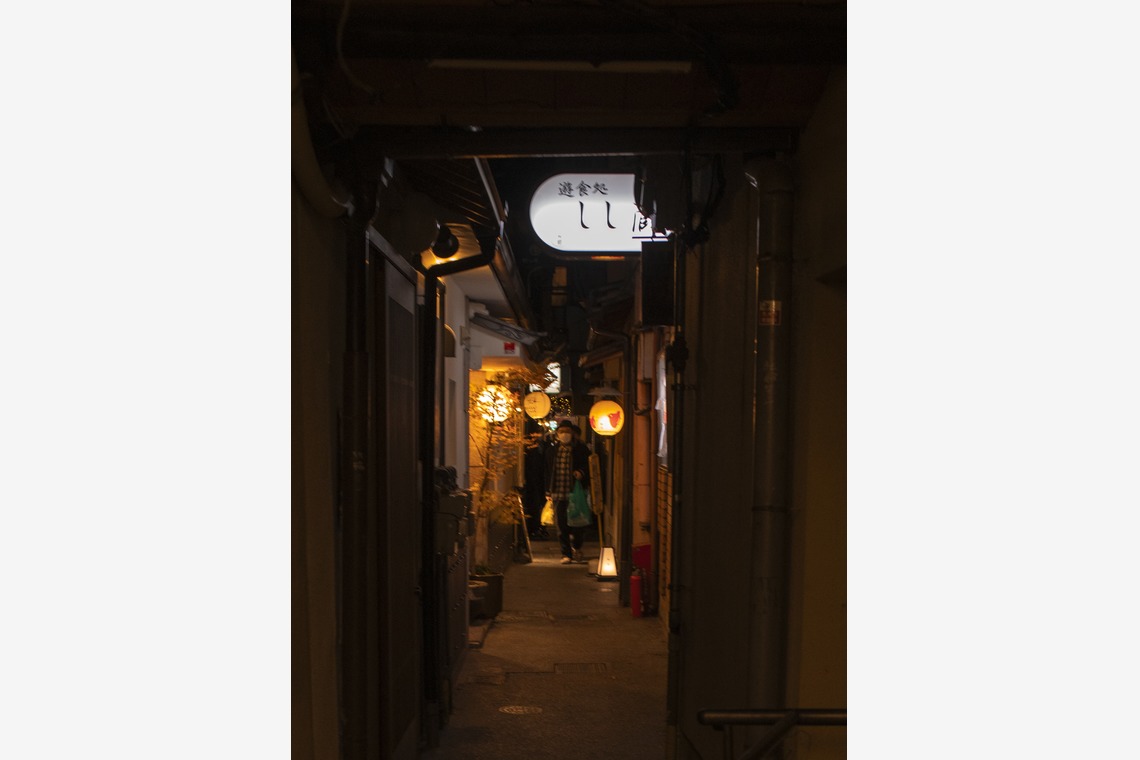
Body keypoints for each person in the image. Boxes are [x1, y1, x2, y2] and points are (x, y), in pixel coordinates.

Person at [544, 419, 591, 564]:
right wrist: (547, 490)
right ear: (557, 433)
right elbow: (546, 471)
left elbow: (589, 465)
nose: (564, 434)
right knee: (561, 524)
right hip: (558, 491)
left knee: (577, 522)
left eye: (567, 432)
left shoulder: (581, 449)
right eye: (562, 432)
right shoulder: (552, 450)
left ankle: (577, 546)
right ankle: (566, 553)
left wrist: (581, 472)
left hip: (575, 492)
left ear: (573, 434)